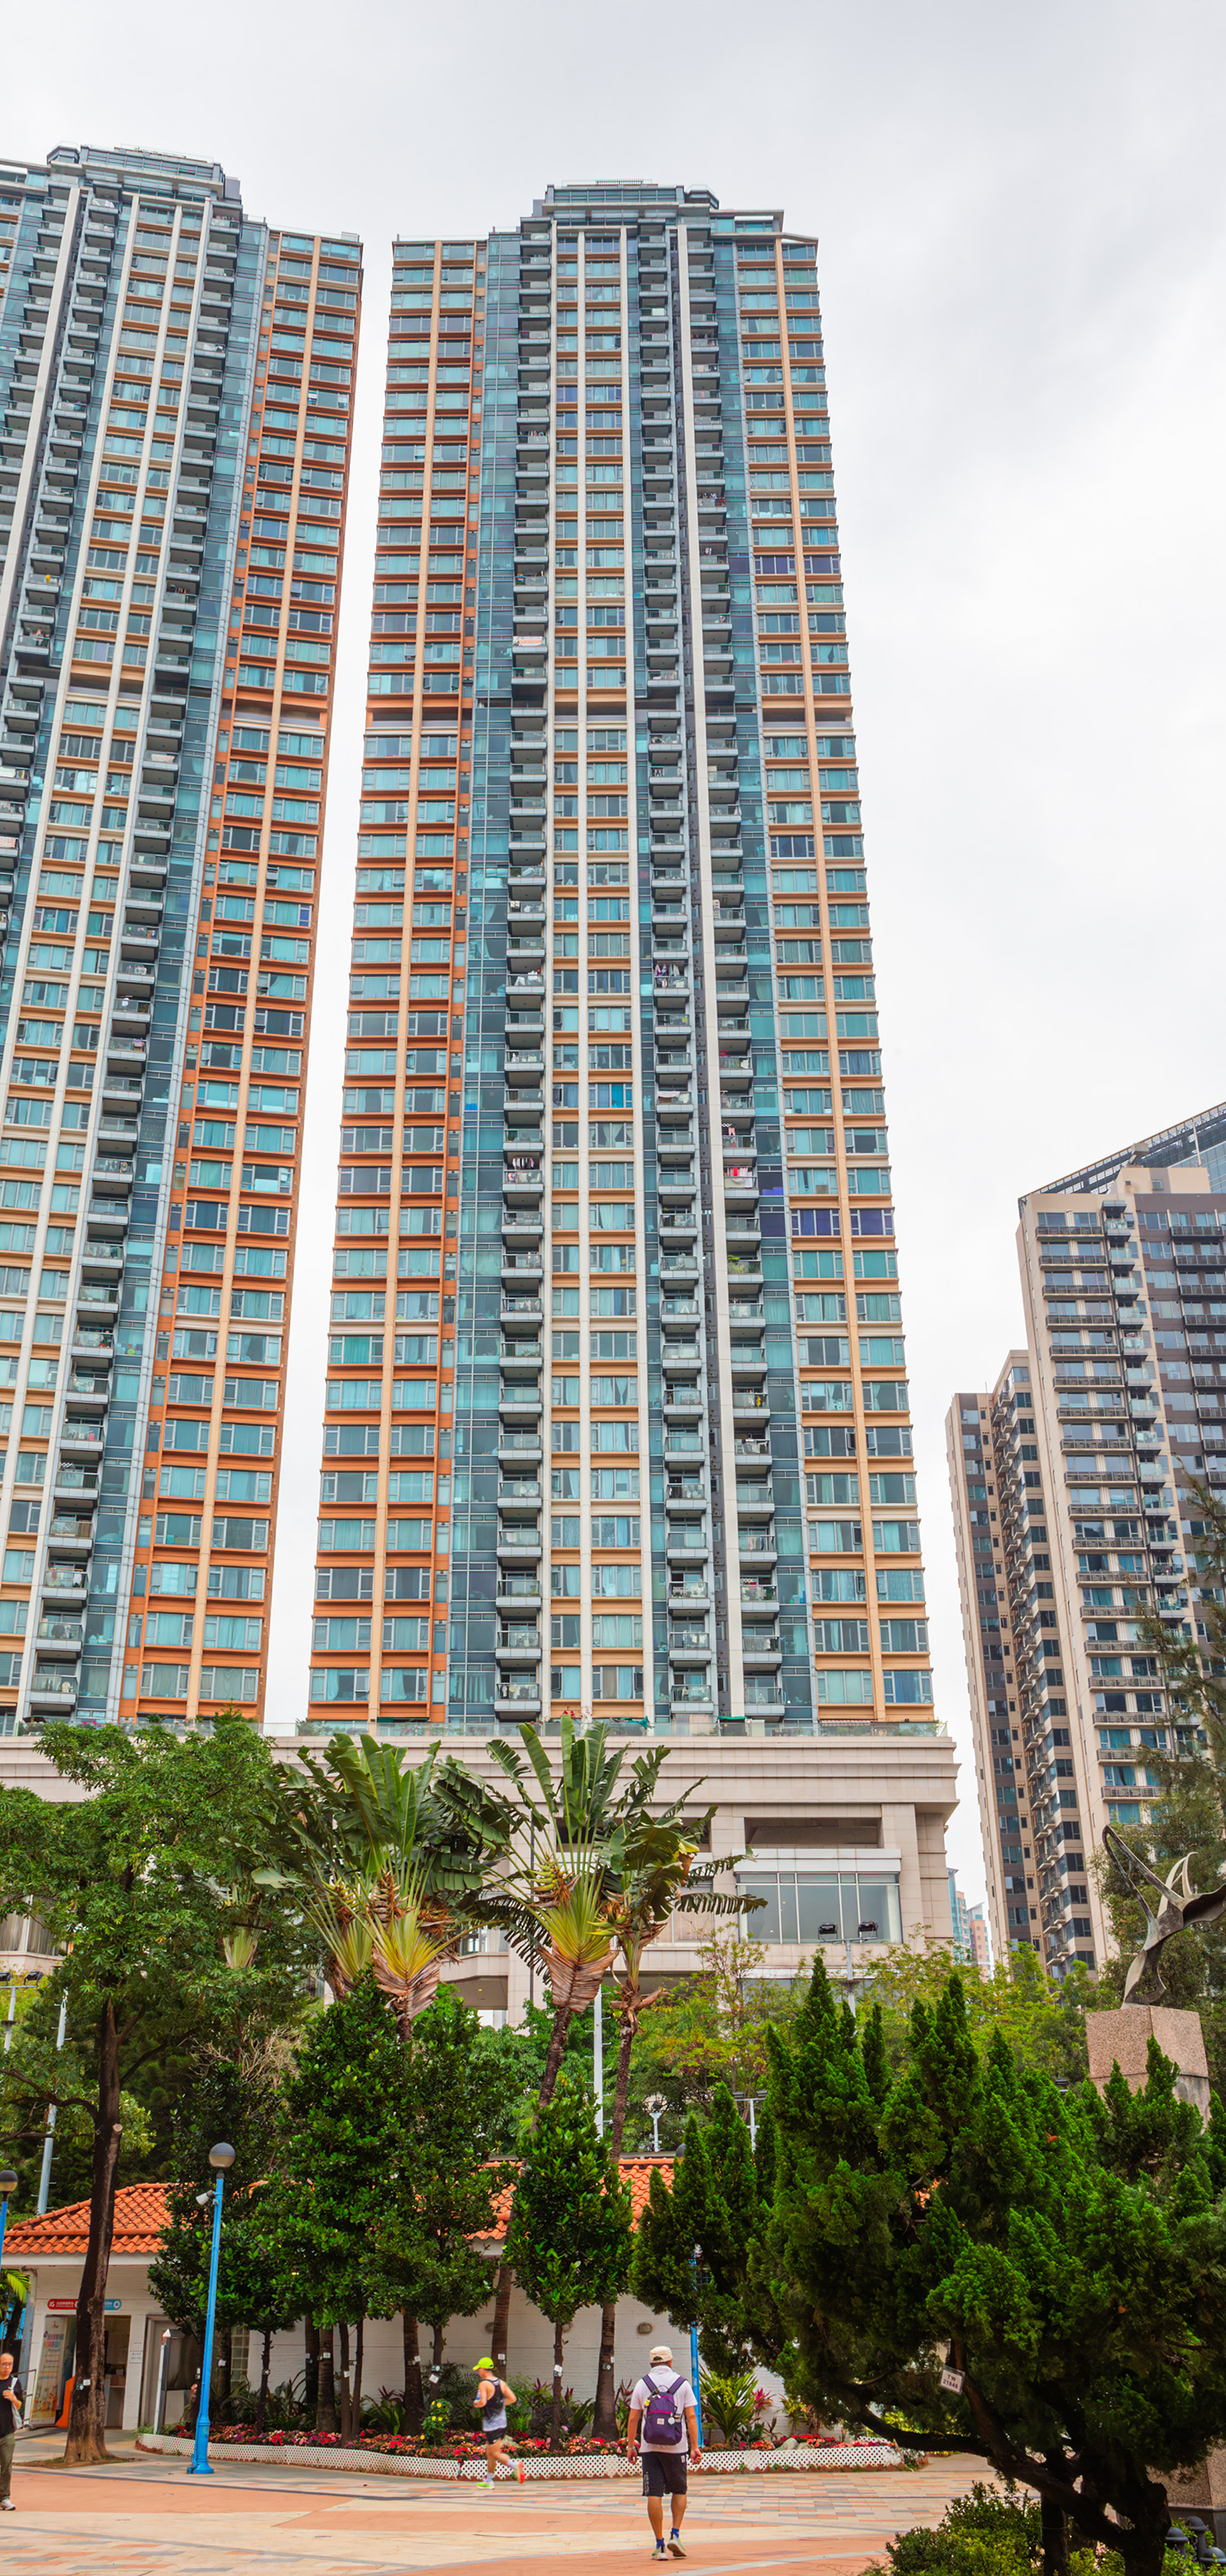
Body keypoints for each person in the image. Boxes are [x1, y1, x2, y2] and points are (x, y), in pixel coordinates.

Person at [627, 2341, 700, 2560]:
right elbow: (691, 2417)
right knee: (680, 2490)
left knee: (654, 2493)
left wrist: (631, 2447)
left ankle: (660, 2547)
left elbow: (633, 2418)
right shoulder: (682, 2384)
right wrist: (695, 2447)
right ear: (670, 2362)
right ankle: (675, 2535)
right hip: (677, 2447)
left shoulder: (643, 2384)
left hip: (649, 2447)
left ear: (651, 2363)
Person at [472, 2356, 525, 2486]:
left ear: (483, 2369)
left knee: (494, 2453)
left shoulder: (484, 2384)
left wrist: (476, 2403)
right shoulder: (501, 2383)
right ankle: (489, 2480)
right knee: (490, 2452)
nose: (478, 2372)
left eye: (479, 2369)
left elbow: (482, 2402)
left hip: (492, 2425)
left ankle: (515, 2465)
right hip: (502, 2423)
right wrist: (499, 2404)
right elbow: (512, 2398)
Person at [0, 2349, 24, 2512]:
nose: (7, 2367)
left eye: (10, 2364)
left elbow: (20, 2405)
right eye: (4, 2364)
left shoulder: (15, 2383)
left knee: (6, 2468)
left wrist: (13, 2398)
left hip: (7, 2432)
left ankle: (4, 2498)